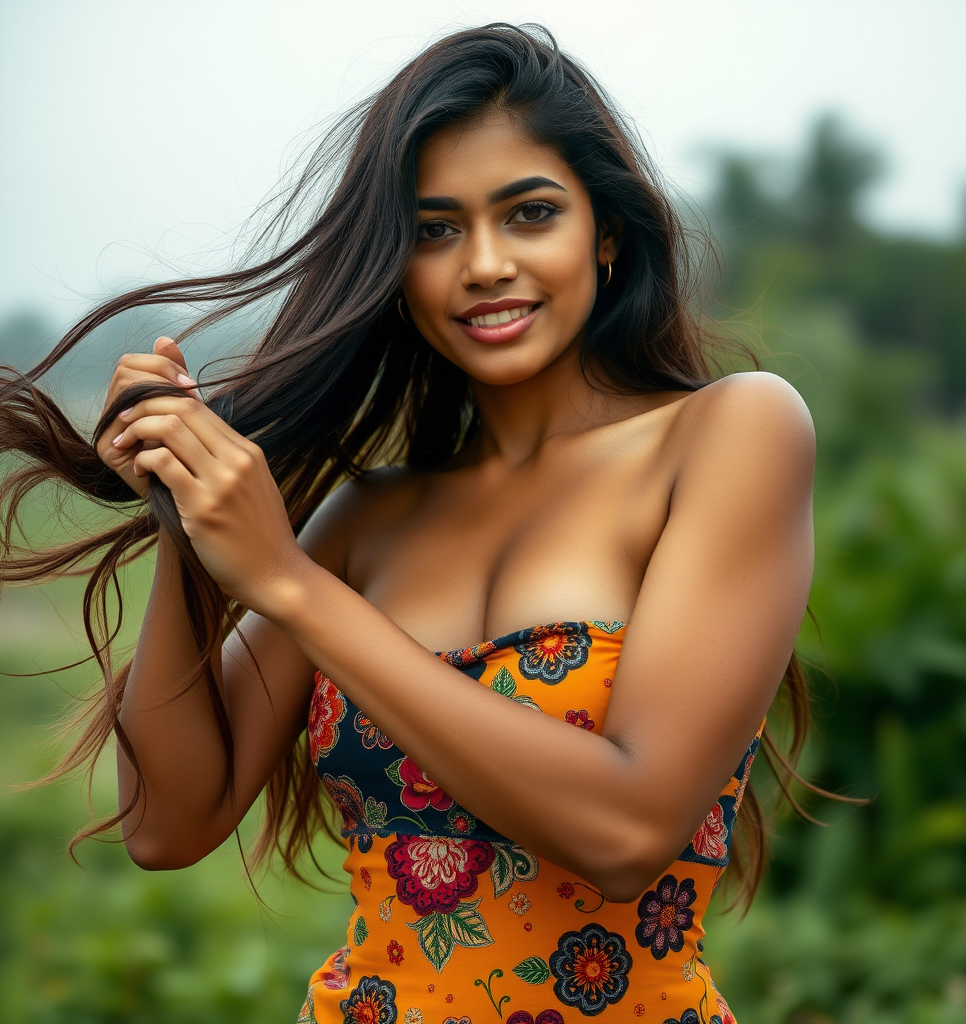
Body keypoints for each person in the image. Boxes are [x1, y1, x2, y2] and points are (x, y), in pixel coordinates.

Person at [1, 24, 825, 1024]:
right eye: (434, 230)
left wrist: (291, 586)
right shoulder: (372, 517)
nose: (483, 264)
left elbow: (627, 827)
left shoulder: (731, 434)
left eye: (528, 214)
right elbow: (171, 822)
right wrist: (186, 516)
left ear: (604, 233)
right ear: (395, 266)